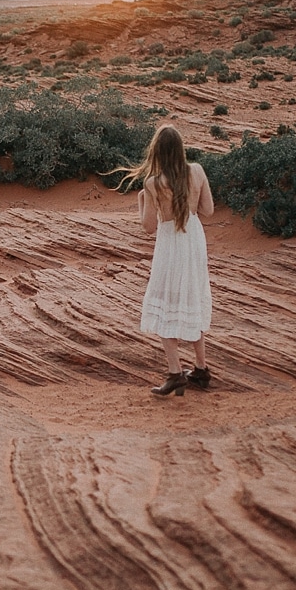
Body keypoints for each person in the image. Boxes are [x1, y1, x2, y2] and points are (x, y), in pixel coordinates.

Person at [119, 125, 214, 395]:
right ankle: (201, 369)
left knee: (164, 303)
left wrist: (141, 200)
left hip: (171, 243)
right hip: (194, 238)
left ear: (157, 151)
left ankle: (175, 373)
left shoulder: (153, 183)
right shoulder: (197, 170)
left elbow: (148, 227)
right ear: (181, 148)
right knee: (192, 299)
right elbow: (207, 210)